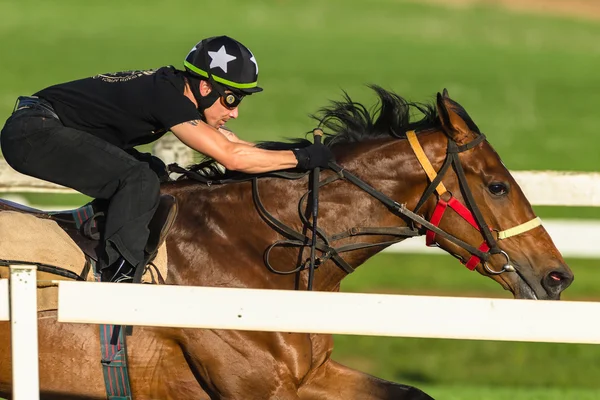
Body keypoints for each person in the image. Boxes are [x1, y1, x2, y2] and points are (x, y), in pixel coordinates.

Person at [0, 35, 333, 282]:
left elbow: (235, 146)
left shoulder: (172, 89)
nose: (234, 111)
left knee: (153, 170)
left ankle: (97, 232)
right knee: (137, 178)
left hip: (45, 125)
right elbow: (232, 157)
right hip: (33, 132)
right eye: (231, 98)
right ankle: (118, 276)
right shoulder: (166, 96)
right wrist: (303, 158)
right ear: (205, 87)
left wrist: (294, 157)